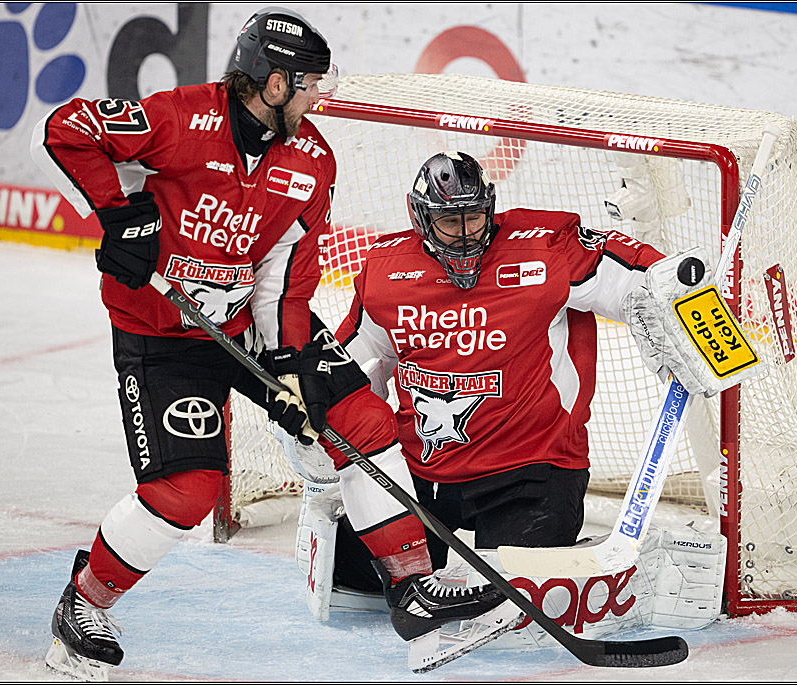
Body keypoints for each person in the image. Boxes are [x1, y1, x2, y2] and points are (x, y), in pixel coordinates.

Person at [30, 10, 507, 679]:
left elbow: (286, 266)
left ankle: (412, 586)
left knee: (361, 419)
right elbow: (63, 130)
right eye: (311, 83)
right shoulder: (178, 118)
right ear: (274, 83)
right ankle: (83, 604)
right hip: (162, 332)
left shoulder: (312, 158)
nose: (320, 97)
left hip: (250, 321)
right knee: (187, 489)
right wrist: (118, 214)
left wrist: (288, 364)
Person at [329, 150, 740, 580]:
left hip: (530, 470)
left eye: (475, 218)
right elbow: (346, 362)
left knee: (513, 588)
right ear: (421, 220)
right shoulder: (387, 273)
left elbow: (637, 276)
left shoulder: (543, 248)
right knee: (359, 574)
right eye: (450, 222)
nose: (467, 235)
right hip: (424, 473)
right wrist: (320, 411)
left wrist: (691, 309)